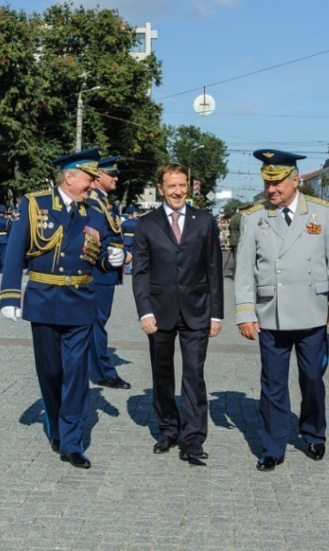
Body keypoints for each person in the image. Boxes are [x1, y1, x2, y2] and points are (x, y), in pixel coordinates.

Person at [0, 147, 125, 469]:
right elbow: (15, 252)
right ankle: (55, 426)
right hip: (43, 299)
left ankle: (71, 442)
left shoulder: (93, 212)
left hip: (81, 301)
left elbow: (98, 252)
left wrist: (111, 260)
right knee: (51, 372)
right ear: (69, 178)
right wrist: (11, 295)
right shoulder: (35, 204)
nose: (92, 184)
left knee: (76, 373)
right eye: (88, 178)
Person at [235, 149, 329, 472]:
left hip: (312, 312)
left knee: (313, 377)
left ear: (295, 180)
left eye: (278, 183)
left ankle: (313, 433)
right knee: (272, 383)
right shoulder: (254, 218)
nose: (271, 190)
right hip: (272, 314)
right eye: (267, 184)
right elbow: (244, 271)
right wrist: (245, 313)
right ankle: (272, 445)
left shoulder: (323, 213)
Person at [133, 162, 224, 465]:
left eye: (182, 185)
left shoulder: (205, 221)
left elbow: (214, 268)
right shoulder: (146, 224)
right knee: (162, 374)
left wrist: (216, 314)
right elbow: (140, 273)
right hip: (159, 313)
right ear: (160, 188)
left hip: (197, 311)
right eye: (171, 185)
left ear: (189, 186)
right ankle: (168, 429)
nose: (177, 191)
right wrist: (144, 311)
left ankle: (194, 438)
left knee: (194, 374)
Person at [87, 155, 132, 390]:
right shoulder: (94, 205)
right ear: (97, 177)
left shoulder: (105, 203)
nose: (116, 177)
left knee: (96, 323)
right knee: (96, 324)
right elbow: (94, 241)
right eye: (111, 174)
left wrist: (125, 253)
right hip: (98, 272)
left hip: (107, 272)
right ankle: (103, 372)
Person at [120, 206, 139, 276]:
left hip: (126, 239)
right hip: (134, 239)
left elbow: (121, 233)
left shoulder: (124, 223)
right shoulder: (137, 222)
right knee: (134, 254)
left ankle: (126, 269)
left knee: (126, 254)